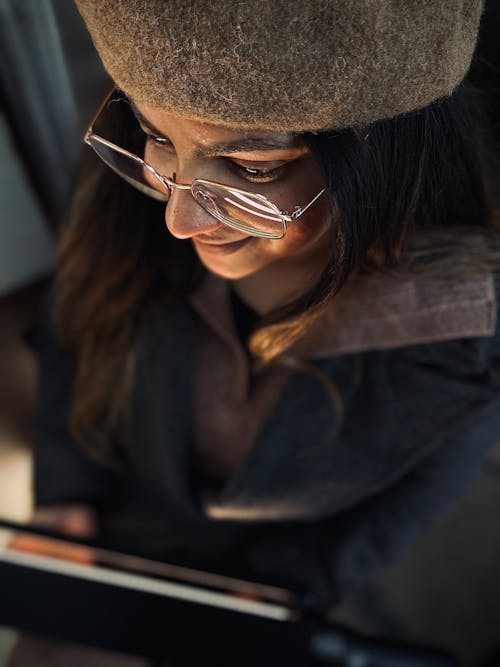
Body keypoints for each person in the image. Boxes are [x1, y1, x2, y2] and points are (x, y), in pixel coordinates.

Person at [33, 0, 500, 608]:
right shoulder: (132, 200)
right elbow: (74, 322)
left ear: (383, 157)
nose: (179, 218)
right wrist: (64, 494)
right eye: (155, 136)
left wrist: (275, 594)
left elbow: (406, 504)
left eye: (253, 167)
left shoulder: (467, 335)